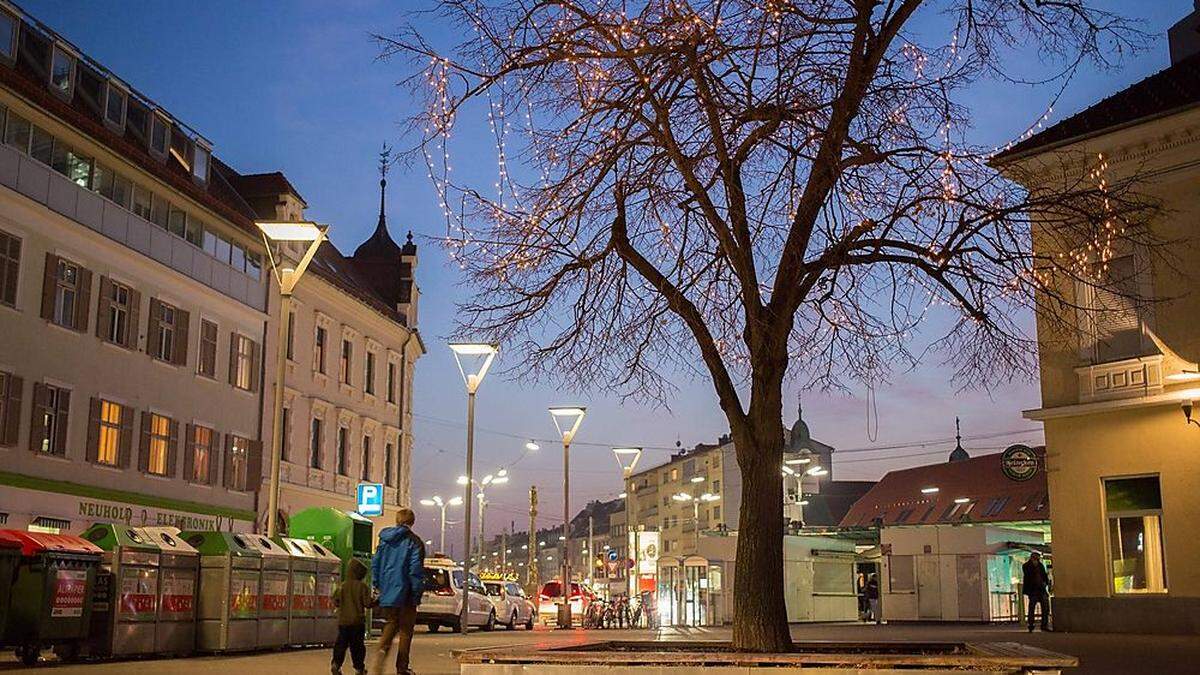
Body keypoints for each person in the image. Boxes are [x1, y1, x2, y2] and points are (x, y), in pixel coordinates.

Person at [372, 507, 427, 675]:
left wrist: (378, 584)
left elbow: (375, 564)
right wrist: (417, 593)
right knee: (405, 631)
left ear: (397, 520)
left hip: (387, 592)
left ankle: (382, 650)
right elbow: (415, 570)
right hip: (406, 593)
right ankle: (401, 667)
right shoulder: (415, 542)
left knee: (391, 622)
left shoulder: (384, 541)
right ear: (412, 522)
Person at [331, 558, 373, 675]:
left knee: (341, 645)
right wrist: (377, 601)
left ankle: (336, 664)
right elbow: (368, 603)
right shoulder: (362, 587)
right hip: (357, 623)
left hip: (343, 622)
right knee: (357, 647)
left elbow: (336, 601)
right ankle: (359, 668)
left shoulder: (342, 586)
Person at [1022, 551, 1052, 632]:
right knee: (1032, 607)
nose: (1037, 560)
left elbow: (1044, 575)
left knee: (1045, 607)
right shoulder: (1026, 566)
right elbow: (1028, 576)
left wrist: (1045, 583)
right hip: (1033, 590)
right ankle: (1031, 624)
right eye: (1036, 558)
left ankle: (1044, 625)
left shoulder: (1040, 565)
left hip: (1041, 589)